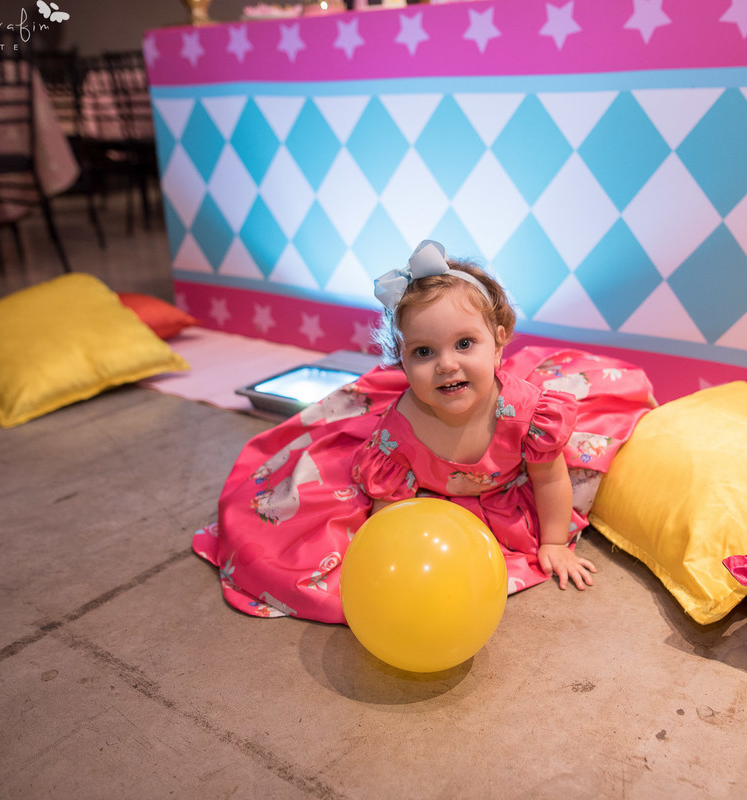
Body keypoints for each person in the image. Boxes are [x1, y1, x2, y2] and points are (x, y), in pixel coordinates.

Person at [192, 240, 655, 624]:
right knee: (307, 538)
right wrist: (396, 567)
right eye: (424, 352)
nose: (446, 364)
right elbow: (391, 515)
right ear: (402, 360)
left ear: (499, 341)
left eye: (465, 344)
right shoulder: (399, 433)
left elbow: (549, 478)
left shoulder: (527, 412)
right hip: (432, 504)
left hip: (505, 494)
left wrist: (553, 543)